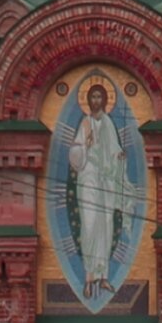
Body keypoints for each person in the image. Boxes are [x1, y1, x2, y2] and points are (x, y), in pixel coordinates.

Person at [68, 82, 136, 297]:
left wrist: (120, 157)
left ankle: (103, 277)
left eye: (100, 97)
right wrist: (84, 147)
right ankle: (89, 278)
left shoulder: (107, 123)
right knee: (89, 226)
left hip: (106, 181)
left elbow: (114, 150)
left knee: (106, 226)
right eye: (93, 97)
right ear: (88, 100)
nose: (96, 101)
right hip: (88, 179)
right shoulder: (85, 124)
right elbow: (75, 156)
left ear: (105, 101)